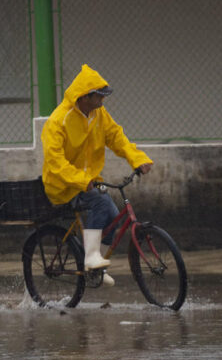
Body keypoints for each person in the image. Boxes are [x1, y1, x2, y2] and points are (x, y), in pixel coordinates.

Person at [41, 64, 153, 286]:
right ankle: (90, 257)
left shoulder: (98, 114)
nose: (103, 101)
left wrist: (138, 159)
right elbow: (55, 162)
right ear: (84, 97)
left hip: (88, 183)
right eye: (99, 96)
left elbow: (116, 138)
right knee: (101, 203)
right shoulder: (58, 121)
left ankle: (95, 267)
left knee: (112, 217)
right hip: (62, 186)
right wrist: (82, 180)